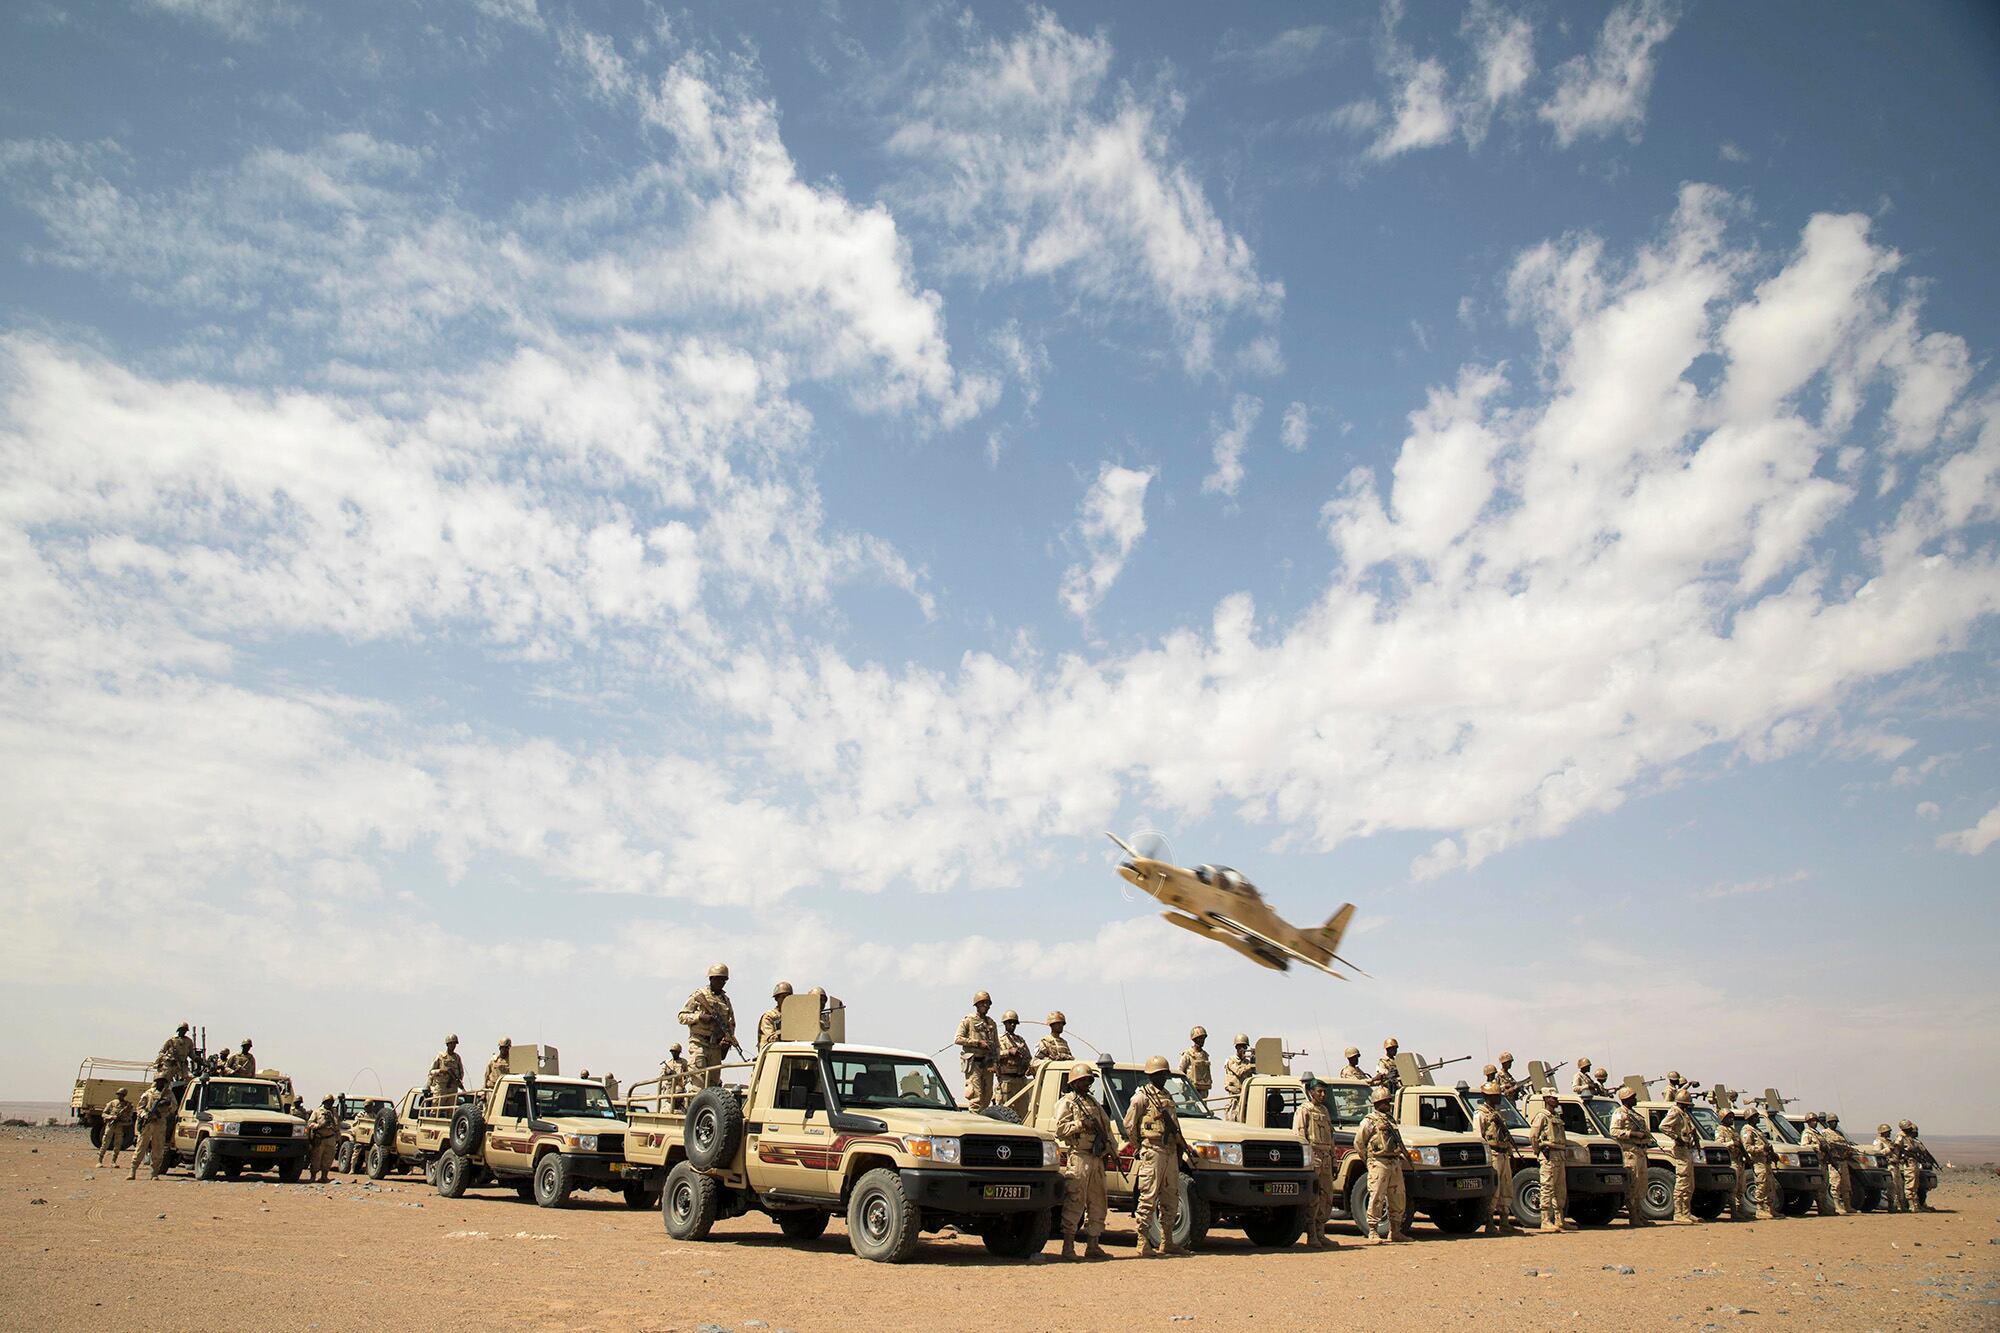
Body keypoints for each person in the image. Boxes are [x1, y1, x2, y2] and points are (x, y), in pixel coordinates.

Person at [1124, 1055, 1193, 1258]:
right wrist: (1142, 1145)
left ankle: (1167, 1241)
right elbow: (1129, 1125)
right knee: (1148, 1196)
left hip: (1170, 1152)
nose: (1162, 1078)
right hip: (1152, 1151)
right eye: (1158, 1074)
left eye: (1164, 1074)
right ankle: (1142, 1240)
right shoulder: (1141, 1097)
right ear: (1150, 1075)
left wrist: (1181, 1145)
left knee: (1170, 1197)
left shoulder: (1168, 1097)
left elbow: (1175, 1125)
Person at [1052, 1062, 1115, 1261]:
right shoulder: (1067, 1102)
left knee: (1098, 1201)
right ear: (1074, 1082)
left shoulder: (1094, 1103)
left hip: (1096, 1158)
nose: (1087, 1083)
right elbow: (1060, 1130)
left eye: (1089, 1080)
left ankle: (1093, 1244)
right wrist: (1080, 1124)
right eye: (1084, 1080)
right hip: (1079, 1157)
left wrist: (1112, 1150)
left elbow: (1107, 1129)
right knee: (1075, 1200)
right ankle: (1068, 1246)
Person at [1354, 1084, 1410, 1243]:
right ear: (1378, 1103)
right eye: (1385, 1101)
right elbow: (1359, 1142)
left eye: (1389, 1101)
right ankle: (1373, 1231)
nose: (1388, 1104)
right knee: (1377, 1196)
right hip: (1378, 1162)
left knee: (1398, 1197)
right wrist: (1369, 1160)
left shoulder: (1391, 1120)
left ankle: (1395, 1231)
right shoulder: (1369, 1121)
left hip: (1393, 1162)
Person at [678, 965, 740, 1090]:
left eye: (723, 980)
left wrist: (729, 1037)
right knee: (698, 1085)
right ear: (711, 979)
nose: (721, 982)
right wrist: (699, 1017)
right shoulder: (699, 995)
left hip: (715, 1047)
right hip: (699, 1043)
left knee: (713, 1086)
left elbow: (731, 1023)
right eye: (717, 979)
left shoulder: (725, 1001)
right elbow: (681, 1017)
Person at [1472, 1082, 1517, 1235]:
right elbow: (1478, 1137)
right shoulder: (1480, 1114)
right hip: (1493, 1154)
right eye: (1495, 1096)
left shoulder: (1497, 1113)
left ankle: (1504, 1221)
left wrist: (1510, 1151)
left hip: (1504, 1153)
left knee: (1506, 1187)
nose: (1498, 1098)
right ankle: (1490, 1223)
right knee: (1494, 1190)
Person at [1608, 1085, 1654, 1226]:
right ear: (1625, 1099)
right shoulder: (1619, 1113)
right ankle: (1633, 1216)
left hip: (1640, 1151)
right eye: (1632, 1097)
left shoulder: (1635, 1115)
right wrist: (1632, 1134)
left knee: (1641, 1186)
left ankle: (1639, 1215)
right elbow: (1614, 1131)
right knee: (1633, 1185)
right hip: (1630, 1152)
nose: (1635, 1099)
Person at [1530, 1088, 1572, 1233]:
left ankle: (1560, 1219)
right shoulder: (1542, 1116)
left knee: (1560, 1189)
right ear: (1546, 1099)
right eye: (1553, 1098)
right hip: (1549, 1154)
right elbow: (1533, 1136)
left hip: (1559, 1155)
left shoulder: (1556, 1116)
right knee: (1547, 1187)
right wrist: (1538, 1151)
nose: (1556, 1100)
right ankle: (1545, 1220)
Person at [1660, 1086, 1701, 1223]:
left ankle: (1686, 1212)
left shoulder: (1684, 1114)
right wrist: (1676, 1137)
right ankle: (1679, 1213)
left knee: (1689, 1183)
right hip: (1680, 1150)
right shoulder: (1675, 1113)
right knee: (1682, 1181)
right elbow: (1663, 1126)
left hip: (1688, 1149)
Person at [953, 991, 998, 1112]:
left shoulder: (992, 1023)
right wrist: (977, 1043)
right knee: (975, 1099)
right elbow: (957, 1039)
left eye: (988, 1004)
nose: (986, 1006)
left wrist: (995, 1064)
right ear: (977, 1005)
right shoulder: (968, 1020)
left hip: (987, 1065)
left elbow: (996, 1046)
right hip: (974, 1064)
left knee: (987, 1098)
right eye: (983, 1003)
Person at [130, 1076, 176, 1180]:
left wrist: (167, 1104)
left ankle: (154, 1173)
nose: (161, 1084)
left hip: (160, 1123)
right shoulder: (148, 1093)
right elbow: (139, 1107)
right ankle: (132, 1170)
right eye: (159, 1082)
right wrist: (145, 1114)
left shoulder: (169, 1094)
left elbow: (174, 1107)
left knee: (158, 1148)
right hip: (148, 1123)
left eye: (163, 1082)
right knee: (141, 1147)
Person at [1742, 1110, 1785, 1219]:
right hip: (1758, 1162)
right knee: (1761, 1185)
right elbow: (1747, 1148)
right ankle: (1760, 1210)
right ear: (1750, 1118)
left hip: (1766, 1161)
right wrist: (1762, 1148)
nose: (1758, 1119)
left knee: (1770, 1185)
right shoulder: (1748, 1131)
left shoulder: (1757, 1130)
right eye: (1755, 1117)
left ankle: (1770, 1208)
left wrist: (1772, 1154)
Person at [1798, 1112, 1837, 1216]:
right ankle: (1822, 1209)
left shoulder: (1818, 1133)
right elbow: (1804, 1146)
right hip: (1816, 1163)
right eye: (1812, 1121)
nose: (1815, 1122)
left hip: (1823, 1162)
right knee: (1819, 1188)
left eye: (1815, 1120)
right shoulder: (1807, 1133)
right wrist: (1818, 1147)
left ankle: (1825, 1208)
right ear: (1808, 1122)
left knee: (1824, 1187)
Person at [1718, 1107, 1753, 1220]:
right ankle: (1734, 1212)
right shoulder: (1721, 1130)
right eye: (1729, 1117)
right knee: (1733, 1188)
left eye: (1732, 1117)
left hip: (1739, 1161)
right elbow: (1719, 1144)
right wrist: (1732, 1143)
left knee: (1741, 1188)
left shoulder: (1733, 1130)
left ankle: (1740, 1210)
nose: (1731, 1119)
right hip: (1731, 1161)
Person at [1820, 1112, 1856, 1215]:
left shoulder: (1839, 1134)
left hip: (1843, 1161)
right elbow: (1827, 1145)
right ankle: (1837, 1205)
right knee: (1836, 1183)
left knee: (1846, 1184)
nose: (1834, 1124)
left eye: (1835, 1122)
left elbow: (1845, 1144)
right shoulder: (1825, 1132)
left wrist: (1847, 1151)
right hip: (1834, 1161)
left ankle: (1847, 1205)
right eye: (1832, 1122)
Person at [994, 1011, 1031, 1109]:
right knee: (1004, 1110)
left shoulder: (1020, 1040)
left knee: (1023, 1111)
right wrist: (1008, 1052)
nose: (1013, 1025)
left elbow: (1028, 1058)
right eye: (1010, 1022)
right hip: (1006, 1081)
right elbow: (993, 1056)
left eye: (1014, 1023)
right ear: (1005, 1023)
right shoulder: (999, 1039)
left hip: (1021, 1080)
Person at [1897, 1120, 1936, 1212]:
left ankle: (1917, 1204)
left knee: (1915, 1185)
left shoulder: (1910, 1139)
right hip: (1908, 1164)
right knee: (1910, 1185)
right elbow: (1898, 1150)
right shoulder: (1901, 1138)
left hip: (1913, 1164)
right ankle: (1911, 1206)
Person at [1873, 1122, 1909, 1212]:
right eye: (1887, 1131)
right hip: (1889, 1166)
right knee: (1892, 1187)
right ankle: (1892, 1205)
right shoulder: (1878, 1141)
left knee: (1900, 1186)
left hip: (1896, 1165)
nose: (1889, 1133)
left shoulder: (1889, 1141)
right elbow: (1877, 1153)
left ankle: (1902, 1205)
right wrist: (1889, 1149)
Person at [305, 1095, 342, 1183]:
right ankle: (313, 1176)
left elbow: (337, 1126)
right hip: (320, 1138)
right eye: (328, 1101)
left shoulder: (334, 1112)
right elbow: (310, 1123)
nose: (330, 1103)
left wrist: (338, 1137)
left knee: (328, 1158)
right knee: (316, 1158)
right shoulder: (318, 1111)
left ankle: (324, 1177)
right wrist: (319, 1125)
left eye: (331, 1102)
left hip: (331, 1138)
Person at [96, 1088, 136, 1168]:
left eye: (122, 1095)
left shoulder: (127, 1105)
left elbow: (129, 1117)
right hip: (110, 1125)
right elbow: (104, 1114)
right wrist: (111, 1117)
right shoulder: (112, 1103)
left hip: (120, 1127)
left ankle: (113, 1161)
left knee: (118, 1144)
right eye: (119, 1094)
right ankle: (99, 1160)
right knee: (105, 1143)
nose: (120, 1096)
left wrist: (123, 1120)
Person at [1178, 1027, 1212, 1101]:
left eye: (1203, 1038)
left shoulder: (1205, 1055)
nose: (1202, 1040)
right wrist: (1183, 1089)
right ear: (1194, 1039)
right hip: (1191, 1091)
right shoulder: (1188, 1054)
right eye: (1200, 1038)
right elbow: (1180, 1072)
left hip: (1203, 1091)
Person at [428, 1035, 464, 1102]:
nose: (453, 1045)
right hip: (441, 1087)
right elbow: (431, 1071)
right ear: (447, 1044)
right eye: (451, 1043)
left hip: (453, 1087)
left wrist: (458, 1080)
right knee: (436, 1108)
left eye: (454, 1043)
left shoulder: (457, 1057)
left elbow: (461, 1072)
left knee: (451, 1109)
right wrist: (441, 1071)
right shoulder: (440, 1056)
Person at [759, 982, 793, 1050]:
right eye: (783, 997)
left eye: (788, 997)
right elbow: (771, 1038)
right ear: (776, 999)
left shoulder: (793, 1016)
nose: (786, 1000)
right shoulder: (769, 1016)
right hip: (772, 1054)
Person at [1222, 1034, 1256, 1100]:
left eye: (1244, 1047)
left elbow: (1255, 1071)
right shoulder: (1231, 1060)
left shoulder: (1247, 1062)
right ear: (1236, 1047)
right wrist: (1250, 1065)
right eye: (1240, 1047)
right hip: (1234, 1094)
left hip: (1245, 1092)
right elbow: (1239, 1072)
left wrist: (1254, 1060)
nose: (1243, 1049)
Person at [658, 1043, 692, 1108]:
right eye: (672, 1052)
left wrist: (684, 1080)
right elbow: (661, 1077)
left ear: (679, 1052)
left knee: (681, 1106)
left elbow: (689, 1075)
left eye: (675, 1052)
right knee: (668, 1107)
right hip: (669, 1088)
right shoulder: (668, 1062)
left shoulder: (684, 1062)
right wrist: (667, 1073)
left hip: (679, 1087)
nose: (673, 1053)